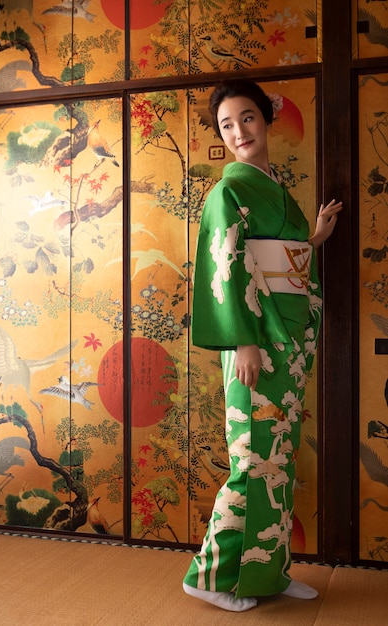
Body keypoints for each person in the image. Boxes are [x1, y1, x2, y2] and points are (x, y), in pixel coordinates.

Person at [183, 78, 342, 612]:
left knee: (278, 460)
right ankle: (208, 577)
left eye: (247, 118)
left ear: (267, 120)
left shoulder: (273, 186)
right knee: (251, 460)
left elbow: (284, 257)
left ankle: (267, 573)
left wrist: (314, 238)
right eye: (227, 124)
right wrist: (243, 342)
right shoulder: (228, 191)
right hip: (255, 339)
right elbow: (224, 267)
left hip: (288, 341)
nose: (238, 132)